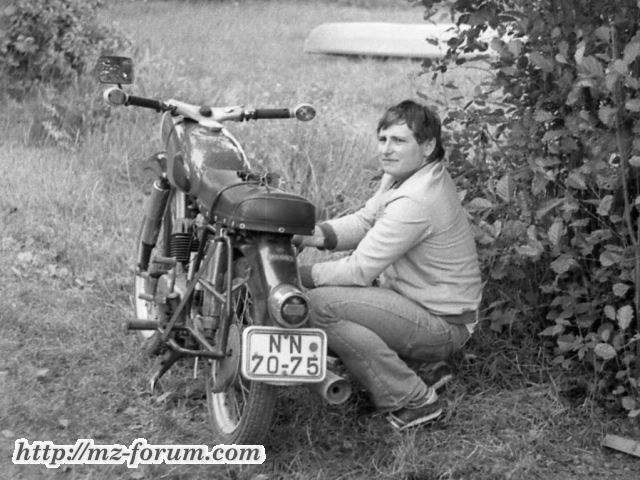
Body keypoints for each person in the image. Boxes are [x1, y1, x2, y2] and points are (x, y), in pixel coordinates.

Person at [295, 100, 482, 430]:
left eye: (398, 141)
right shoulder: (404, 176)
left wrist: (293, 277)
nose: (386, 149)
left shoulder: (417, 198)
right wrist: (306, 235)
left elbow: (358, 270)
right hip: (419, 304)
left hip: (443, 325)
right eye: (382, 139)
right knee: (334, 299)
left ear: (427, 146)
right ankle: (422, 368)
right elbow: (365, 220)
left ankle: (413, 400)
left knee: (318, 306)